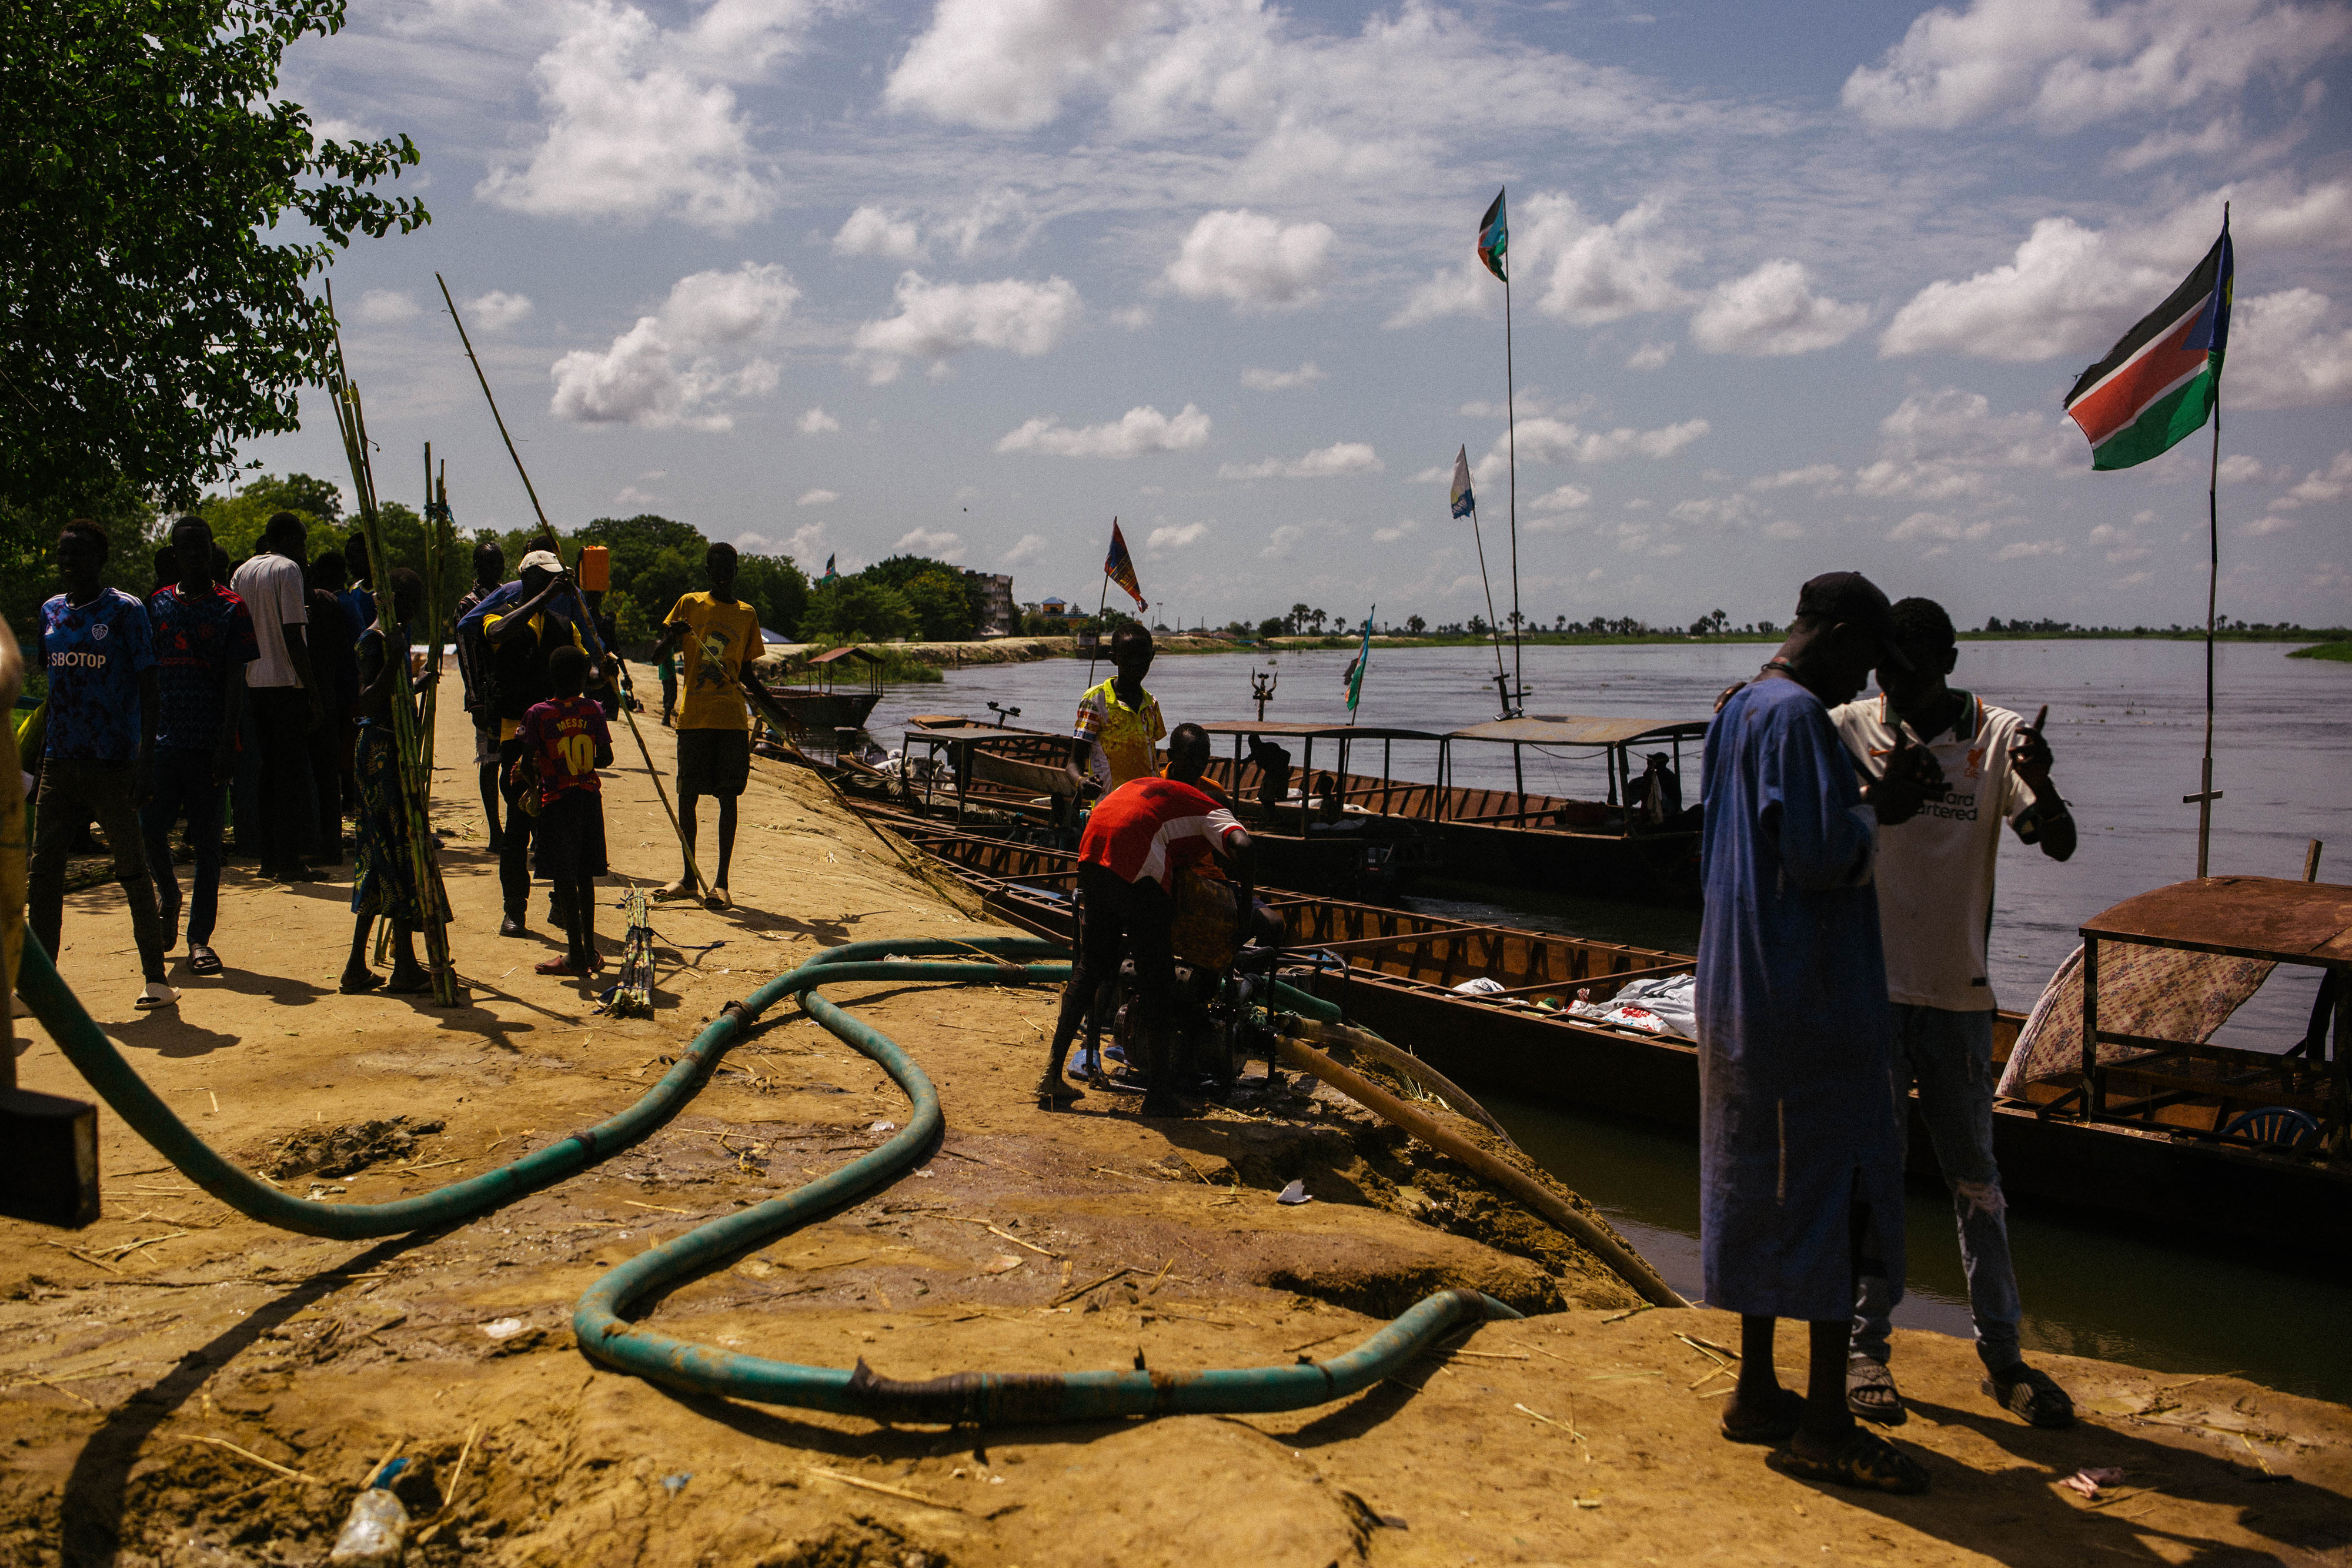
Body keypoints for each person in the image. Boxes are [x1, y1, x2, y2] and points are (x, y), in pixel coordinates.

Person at [1697, 570, 1944, 1495]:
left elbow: (1755, 833)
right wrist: (1882, 809)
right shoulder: (1799, 717)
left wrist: (1863, 797)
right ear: (1838, 636)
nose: (1868, 682)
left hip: (1740, 987)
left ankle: (1759, 1387)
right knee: (1838, 1191)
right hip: (1805, 995)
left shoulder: (1738, 708)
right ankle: (1827, 1424)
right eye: (1868, 657)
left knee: (1764, 1186)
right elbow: (1818, 853)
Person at [1830, 597, 2078, 1430]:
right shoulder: (1846, 727)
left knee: (1976, 1181)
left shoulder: (1999, 737)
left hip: (1959, 999)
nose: (1894, 689)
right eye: (1885, 674)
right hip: (1870, 993)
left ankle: (2003, 1356)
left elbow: (2057, 840)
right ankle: (1865, 1350)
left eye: (1910, 675)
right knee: (1873, 1177)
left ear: (1948, 666)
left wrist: (2045, 780)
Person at [1038, 723, 1253, 1118]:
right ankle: (1159, 1094)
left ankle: (1051, 1073)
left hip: (1093, 844)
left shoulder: (1150, 784)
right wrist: (1246, 905)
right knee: (1159, 978)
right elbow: (1244, 845)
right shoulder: (1213, 808)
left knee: (1092, 965)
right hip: (1134, 853)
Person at [28, 520, 177, 1009]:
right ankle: (42, 984)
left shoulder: (125, 611)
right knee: (43, 874)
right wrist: (38, 759)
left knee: (131, 867)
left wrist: (145, 759)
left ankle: (156, 979)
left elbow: (150, 687)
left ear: (100, 558)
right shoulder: (51, 611)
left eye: (78, 553)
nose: (68, 561)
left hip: (114, 762)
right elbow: (53, 693)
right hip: (60, 762)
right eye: (62, 553)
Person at [140, 516, 258, 979]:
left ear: (211, 548)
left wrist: (228, 742)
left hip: (209, 743)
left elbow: (235, 681)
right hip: (163, 740)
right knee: (150, 827)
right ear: (174, 554)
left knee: (209, 842)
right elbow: (147, 679)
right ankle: (169, 894)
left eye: (201, 545)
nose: (195, 554)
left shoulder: (232, 607)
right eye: (186, 547)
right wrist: (143, 741)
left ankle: (199, 938)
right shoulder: (156, 604)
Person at [479, 550, 602, 937]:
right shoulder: (498, 615)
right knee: (518, 825)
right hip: (517, 737)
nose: (552, 584)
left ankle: (561, 905)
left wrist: (602, 673)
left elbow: (584, 669)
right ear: (528, 577)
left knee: (562, 826)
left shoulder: (565, 625)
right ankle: (514, 909)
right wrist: (545, 597)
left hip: (558, 735)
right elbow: (497, 636)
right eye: (545, 578)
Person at [649, 542, 765, 911]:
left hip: (732, 721)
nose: (723, 576)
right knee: (688, 797)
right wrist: (673, 635)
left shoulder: (747, 614)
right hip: (694, 719)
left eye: (729, 569)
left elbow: (748, 675)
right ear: (708, 572)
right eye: (717, 570)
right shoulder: (689, 604)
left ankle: (721, 883)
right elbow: (656, 656)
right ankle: (688, 878)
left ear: (736, 571)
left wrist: (780, 712)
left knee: (728, 798)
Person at [342, 569, 440, 995]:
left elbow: (391, 696)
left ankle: (359, 966)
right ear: (396, 599)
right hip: (380, 754)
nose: (415, 610)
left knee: (387, 849)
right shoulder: (374, 641)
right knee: (391, 848)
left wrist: (417, 684)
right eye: (412, 601)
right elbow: (365, 702)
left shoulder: (389, 640)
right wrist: (395, 659)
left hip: (392, 748)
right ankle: (402, 966)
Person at [229, 511, 328, 883]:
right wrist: (313, 691)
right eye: (301, 541)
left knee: (268, 773)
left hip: (254, 682)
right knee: (289, 775)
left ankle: (270, 858)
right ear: (286, 540)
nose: (304, 549)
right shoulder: (288, 570)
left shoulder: (242, 572)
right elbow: (292, 635)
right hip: (287, 684)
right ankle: (288, 860)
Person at [514, 645, 614, 977]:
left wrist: (536, 779)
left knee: (564, 877)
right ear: (584, 678)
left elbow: (525, 761)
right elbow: (606, 758)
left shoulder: (538, 713)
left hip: (557, 802)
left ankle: (575, 956)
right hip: (588, 799)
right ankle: (588, 949)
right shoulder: (593, 709)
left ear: (551, 676)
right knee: (585, 875)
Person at [305, 551, 363, 856]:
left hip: (340, 692)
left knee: (335, 763)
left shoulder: (334, 603)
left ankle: (328, 840)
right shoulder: (344, 602)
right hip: (342, 691)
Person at [452, 540, 507, 852]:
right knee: (490, 762)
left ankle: (517, 827)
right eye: (490, 562)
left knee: (514, 761)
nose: (496, 568)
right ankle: (495, 830)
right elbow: (467, 657)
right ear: (477, 567)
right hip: (486, 694)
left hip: (511, 692)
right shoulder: (468, 605)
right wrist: (475, 702)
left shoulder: (510, 597)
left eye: (499, 562)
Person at [1064, 624, 1165, 797]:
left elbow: (1151, 758)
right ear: (1114, 659)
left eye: (1142, 656)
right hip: (1111, 802)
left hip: (1146, 801)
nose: (1136, 663)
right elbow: (1074, 762)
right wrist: (1080, 781)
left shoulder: (1151, 704)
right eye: (1128, 657)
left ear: (1152, 657)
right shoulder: (1096, 701)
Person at [1626, 751, 1683, 828]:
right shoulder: (1660, 773)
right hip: (1667, 803)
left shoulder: (1665, 775)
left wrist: (1649, 768)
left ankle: (1628, 807)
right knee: (1638, 784)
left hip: (1671, 807)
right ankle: (1629, 806)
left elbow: (1648, 781)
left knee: (1647, 788)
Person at [1244, 733, 1292, 817]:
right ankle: (1272, 816)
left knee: (1264, 797)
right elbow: (1287, 754)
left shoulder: (1261, 750)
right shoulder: (1266, 747)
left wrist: (1278, 767)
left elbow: (1287, 755)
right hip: (1278, 775)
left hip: (1274, 776)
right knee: (1268, 797)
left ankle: (1274, 815)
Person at [656, 648, 677, 726]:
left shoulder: (669, 646)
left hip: (667, 675)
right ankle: (666, 719)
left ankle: (666, 719)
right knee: (672, 696)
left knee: (669, 696)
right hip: (668, 675)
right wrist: (671, 674)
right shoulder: (666, 646)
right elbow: (664, 660)